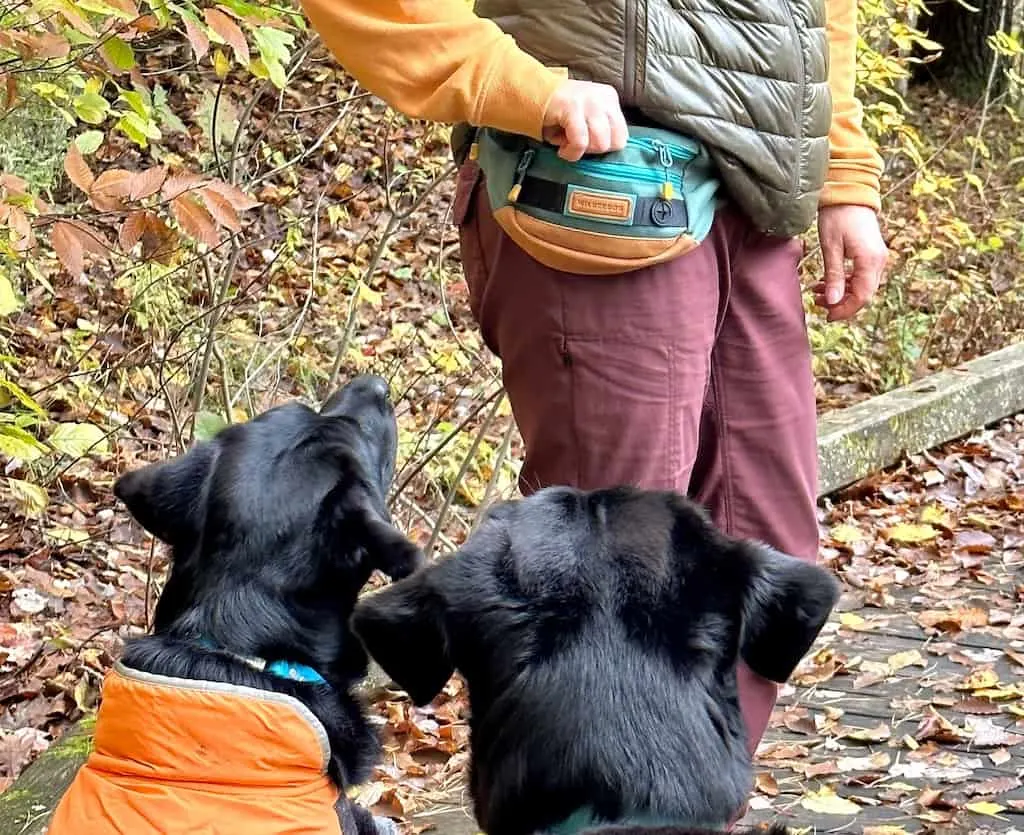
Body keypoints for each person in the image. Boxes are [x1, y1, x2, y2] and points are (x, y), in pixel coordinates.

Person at [299, 0, 888, 815]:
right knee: (604, 592)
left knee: (764, 556)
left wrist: (843, 170)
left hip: (756, 187)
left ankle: (674, 816)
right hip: (600, 175)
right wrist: (522, 87)